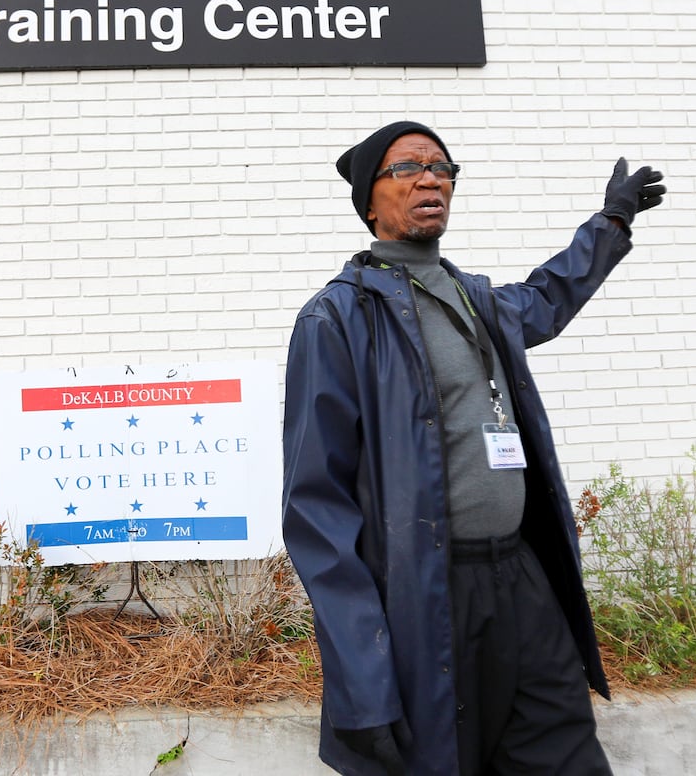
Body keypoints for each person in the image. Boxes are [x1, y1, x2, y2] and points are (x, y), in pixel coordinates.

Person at [281, 121, 665, 776]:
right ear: (369, 202)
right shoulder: (337, 320)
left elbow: (547, 296)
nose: (430, 178)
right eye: (406, 168)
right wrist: (363, 681)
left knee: (565, 752)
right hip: (428, 595)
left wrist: (609, 225)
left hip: (520, 581)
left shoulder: (476, 299)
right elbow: (317, 512)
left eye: (441, 166)